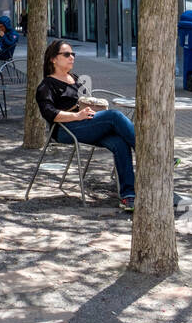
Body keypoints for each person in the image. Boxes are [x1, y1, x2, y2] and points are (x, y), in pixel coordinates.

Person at [35, 39, 140, 211]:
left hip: (86, 124)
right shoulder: (46, 85)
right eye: (67, 54)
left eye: (73, 54)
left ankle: (128, 196)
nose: (72, 58)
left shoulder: (75, 78)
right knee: (114, 116)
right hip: (65, 130)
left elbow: (84, 102)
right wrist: (77, 116)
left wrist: (94, 108)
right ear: (53, 59)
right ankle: (149, 152)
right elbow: (50, 114)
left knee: (120, 142)